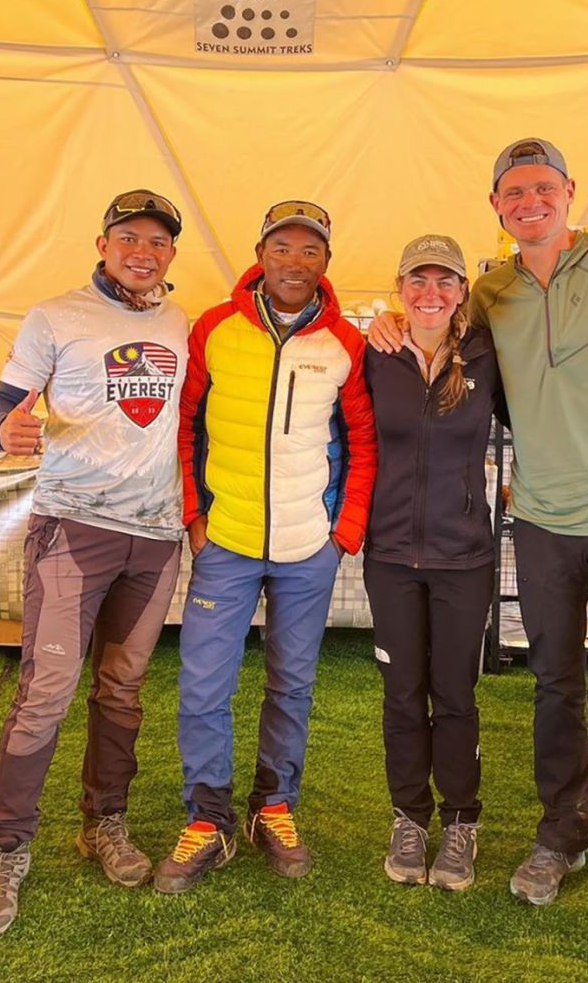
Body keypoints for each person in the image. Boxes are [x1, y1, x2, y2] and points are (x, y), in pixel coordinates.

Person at [370, 139, 588, 950]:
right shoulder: (491, 290)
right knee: (554, 687)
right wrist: (385, 314)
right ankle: (562, 837)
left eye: (542, 188)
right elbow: (432, 324)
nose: (528, 201)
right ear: (495, 208)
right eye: (512, 193)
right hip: (541, 523)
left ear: (569, 192)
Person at [0, 189, 189, 936]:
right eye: (128, 237)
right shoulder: (53, 316)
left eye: (156, 242)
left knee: (123, 690)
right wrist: (8, 429)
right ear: (102, 243)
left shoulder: (178, 321)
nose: (141, 251)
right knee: (48, 690)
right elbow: (0, 402)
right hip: (73, 531)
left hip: (155, 538)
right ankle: (7, 849)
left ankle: (104, 823)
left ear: (170, 255)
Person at [153, 199, 377, 893]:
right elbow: (184, 428)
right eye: (283, 247)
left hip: (309, 548)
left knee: (293, 683)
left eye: (310, 251)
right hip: (227, 542)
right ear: (261, 252)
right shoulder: (216, 330)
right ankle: (208, 817)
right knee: (203, 685)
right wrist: (197, 519)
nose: (295, 262)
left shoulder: (345, 343)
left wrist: (343, 536)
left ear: (326, 264)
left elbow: (363, 444)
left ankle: (273, 806)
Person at [362, 234, 508, 892]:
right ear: (400, 289)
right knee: (401, 695)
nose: (430, 294)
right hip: (390, 555)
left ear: (461, 293)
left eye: (444, 282)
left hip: (463, 557)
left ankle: (461, 823)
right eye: (417, 282)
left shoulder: (487, 353)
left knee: (454, 694)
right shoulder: (375, 352)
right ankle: (409, 818)